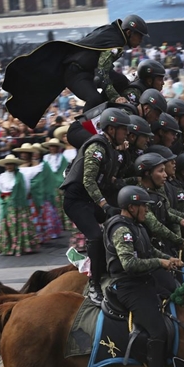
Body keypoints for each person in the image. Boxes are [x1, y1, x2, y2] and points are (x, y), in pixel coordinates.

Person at [103, 185, 183, 367]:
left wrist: (169, 259)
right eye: (143, 207)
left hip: (145, 281)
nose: (146, 211)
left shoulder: (136, 226)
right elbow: (129, 263)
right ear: (131, 207)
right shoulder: (122, 230)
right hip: (129, 287)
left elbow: (148, 251)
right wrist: (160, 263)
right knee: (157, 330)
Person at [3, 15, 149, 128]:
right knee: (94, 99)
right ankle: (82, 127)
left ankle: (108, 111)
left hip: (89, 71)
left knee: (122, 81)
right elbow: (102, 73)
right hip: (76, 74)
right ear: (129, 32)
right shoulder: (114, 43)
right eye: (139, 35)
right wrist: (116, 97)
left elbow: (102, 69)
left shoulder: (112, 33)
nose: (141, 40)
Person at [60, 108, 132, 304]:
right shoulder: (98, 148)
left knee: (120, 220)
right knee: (96, 236)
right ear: (110, 129)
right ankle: (94, 284)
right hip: (76, 201)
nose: (126, 133)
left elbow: (112, 180)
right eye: (123, 129)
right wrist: (104, 205)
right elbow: (89, 180)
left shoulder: (111, 149)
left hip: (89, 200)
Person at [134, 151, 184, 255]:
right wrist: (180, 240)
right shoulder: (140, 196)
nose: (165, 175)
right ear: (148, 173)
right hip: (147, 251)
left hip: (162, 246)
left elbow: (165, 211)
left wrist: (181, 220)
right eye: (161, 171)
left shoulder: (158, 190)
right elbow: (155, 226)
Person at [0, 154, 38, 256]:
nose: (9, 166)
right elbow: (0, 190)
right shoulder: (1, 177)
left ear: (15, 165)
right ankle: (9, 247)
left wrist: (19, 198)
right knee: (9, 224)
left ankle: (22, 246)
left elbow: (26, 189)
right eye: (7, 164)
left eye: (11, 164)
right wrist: (5, 200)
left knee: (20, 224)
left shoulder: (22, 176)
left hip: (20, 204)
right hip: (7, 203)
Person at [42, 138, 73, 230]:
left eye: (54, 146)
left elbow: (64, 170)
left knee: (62, 204)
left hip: (59, 183)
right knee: (51, 204)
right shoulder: (45, 158)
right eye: (51, 146)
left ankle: (64, 224)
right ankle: (54, 225)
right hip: (49, 184)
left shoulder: (62, 158)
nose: (52, 148)